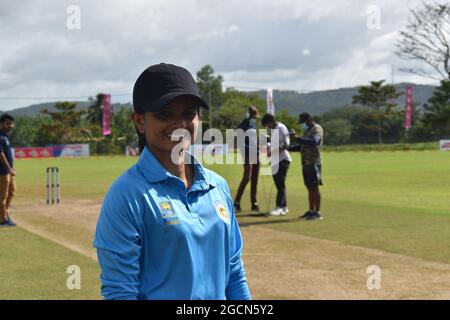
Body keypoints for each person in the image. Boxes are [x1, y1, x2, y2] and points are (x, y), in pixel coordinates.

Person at [93, 63, 251, 300]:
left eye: (188, 113)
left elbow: (234, 273)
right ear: (139, 121)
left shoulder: (217, 186)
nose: (179, 124)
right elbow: (120, 292)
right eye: (165, 114)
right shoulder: (127, 195)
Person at [261, 113, 292, 216]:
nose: (267, 127)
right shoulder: (274, 130)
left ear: (270, 121)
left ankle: (279, 207)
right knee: (280, 184)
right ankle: (284, 207)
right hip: (275, 160)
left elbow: (286, 145)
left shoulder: (281, 128)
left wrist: (272, 152)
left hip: (282, 160)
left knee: (280, 184)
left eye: (267, 125)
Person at [297, 112, 324, 221]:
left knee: (314, 187)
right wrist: (287, 147)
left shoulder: (317, 129)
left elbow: (315, 141)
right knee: (309, 187)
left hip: (314, 162)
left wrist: (299, 139)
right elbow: (302, 146)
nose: (303, 125)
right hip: (306, 162)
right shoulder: (307, 130)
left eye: (303, 122)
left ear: (308, 120)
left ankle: (317, 212)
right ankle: (311, 210)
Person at [233, 106, 260, 212]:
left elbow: (253, 140)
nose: (254, 118)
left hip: (255, 154)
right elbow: (240, 142)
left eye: (255, 117)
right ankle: (236, 202)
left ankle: (254, 202)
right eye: (253, 116)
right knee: (247, 177)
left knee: (255, 179)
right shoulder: (243, 124)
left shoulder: (253, 124)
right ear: (248, 114)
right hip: (247, 154)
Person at [0, 114, 17, 227]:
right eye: (7, 123)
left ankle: (4, 214)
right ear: (1, 124)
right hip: (2, 171)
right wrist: (9, 168)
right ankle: (2, 219)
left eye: (11, 123)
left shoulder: (5, 136)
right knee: (2, 195)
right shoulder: (0, 137)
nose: (10, 125)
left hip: (8, 171)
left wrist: (11, 168)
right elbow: (0, 154)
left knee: (12, 191)